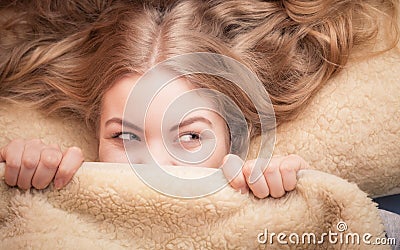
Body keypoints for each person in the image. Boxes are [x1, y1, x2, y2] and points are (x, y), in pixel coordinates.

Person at [0, 0, 397, 197]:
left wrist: (293, 209)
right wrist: (26, 189)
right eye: (125, 137)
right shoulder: (51, 187)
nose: (155, 167)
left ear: (234, 139)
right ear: (95, 137)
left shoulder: (268, 203)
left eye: (190, 137)